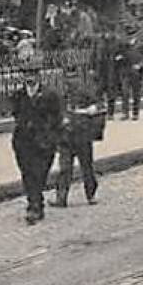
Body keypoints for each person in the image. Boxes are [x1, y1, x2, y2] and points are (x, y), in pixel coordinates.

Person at [11, 58, 63, 224]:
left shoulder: (50, 94)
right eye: (26, 74)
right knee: (27, 173)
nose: (29, 77)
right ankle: (34, 205)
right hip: (24, 142)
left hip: (44, 142)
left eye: (32, 73)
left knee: (40, 174)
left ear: (38, 75)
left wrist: (51, 135)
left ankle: (35, 203)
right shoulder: (18, 95)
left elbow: (57, 117)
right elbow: (16, 114)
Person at [55, 68, 103, 208]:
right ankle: (61, 198)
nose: (71, 82)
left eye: (73, 78)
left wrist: (92, 108)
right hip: (66, 136)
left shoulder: (85, 92)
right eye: (68, 78)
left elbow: (99, 104)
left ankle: (91, 194)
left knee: (86, 167)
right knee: (65, 168)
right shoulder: (59, 95)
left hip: (82, 135)